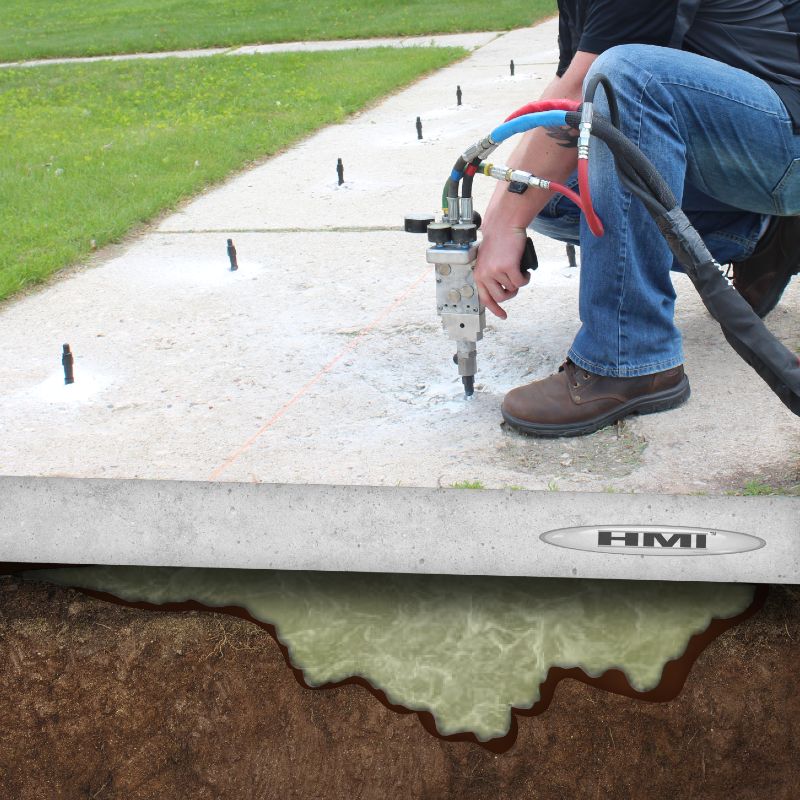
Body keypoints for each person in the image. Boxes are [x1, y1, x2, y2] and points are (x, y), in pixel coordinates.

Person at [476, 0, 800, 437]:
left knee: (626, 75)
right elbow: (566, 90)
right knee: (553, 196)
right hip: (748, 133)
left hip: (787, 132)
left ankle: (629, 356)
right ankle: (758, 235)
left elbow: (587, 93)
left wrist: (504, 224)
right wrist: (501, 212)